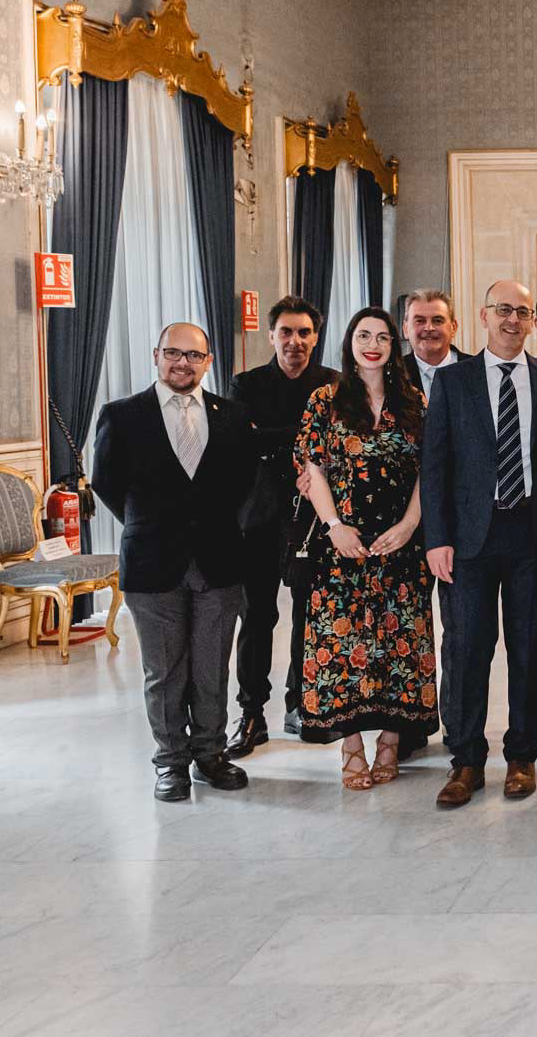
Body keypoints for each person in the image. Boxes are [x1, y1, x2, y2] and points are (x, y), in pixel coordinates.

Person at [421, 280, 537, 807]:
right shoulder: (453, 380)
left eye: (523, 312)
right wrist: (437, 538)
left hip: (532, 534)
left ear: (532, 322)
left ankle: (522, 756)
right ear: (484, 315)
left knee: (530, 647)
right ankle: (465, 760)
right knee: (467, 649)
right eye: (504, 309)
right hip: (469, 539)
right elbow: (435, 464)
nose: (513, 320)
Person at [91, 323, 256, 801]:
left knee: (211, 668)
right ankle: (171, 763)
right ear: (156, 355)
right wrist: (148, 524)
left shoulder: (232, 415)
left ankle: (211, 754)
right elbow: (106, 482)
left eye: (193, 355)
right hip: (152, 562)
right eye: (173, 353)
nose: (182, 363)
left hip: (219, 562)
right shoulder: (122, 415)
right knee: (163, 673)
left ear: (208, 361)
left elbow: (246, 482)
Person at [292, 309, 438, 790]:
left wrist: (410, 524)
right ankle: (351, 748)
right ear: (349, 342)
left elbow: (430, 470)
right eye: (363, 336)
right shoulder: (325, 399)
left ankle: (391, 743)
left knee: (401, 644)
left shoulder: (413, 401)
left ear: (394, 345)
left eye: (382, 337)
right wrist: (334, 526)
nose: (372, 345)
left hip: (401, 544)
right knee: (340, 646)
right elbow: (311, 468)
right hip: (342, 544)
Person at [223, 296, 335, 758]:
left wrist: (270, 438)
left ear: (315, 337)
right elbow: (239, 444)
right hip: (260, 519)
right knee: (257, 618)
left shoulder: (333, 384)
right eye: (286, 332)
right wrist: (303, 441)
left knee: (310, 615)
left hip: (315, 519)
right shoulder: (245, 384)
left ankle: (300, 704)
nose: (295, 341)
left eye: (304, 332)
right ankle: (251, 714)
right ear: (271, 336)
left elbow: (336, 446)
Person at [402, 289, 472, 395]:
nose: (429, 328)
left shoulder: (479, 370)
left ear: (453, 328)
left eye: (437, 321)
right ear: (406, 329)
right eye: (420, 321)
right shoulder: (393, 374)